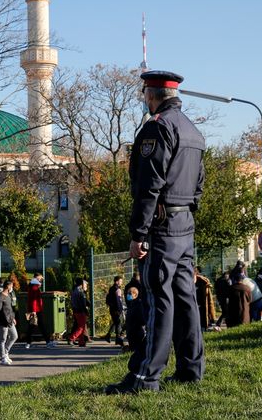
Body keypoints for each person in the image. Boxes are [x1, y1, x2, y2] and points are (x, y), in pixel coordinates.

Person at [106, 70, 205, 395]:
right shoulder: (192, 130)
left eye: (145, 94)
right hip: (184, 225)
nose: (144, 99)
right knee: (185, 298)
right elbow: (199, 185)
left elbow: (149, 186)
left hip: (162, 227)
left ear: (152, 94)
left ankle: (146, 377)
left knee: (159, 299)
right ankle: (191, 369)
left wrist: (139, 234)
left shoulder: (157, 127)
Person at [26, 274, 56, 349]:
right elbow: (34, 300)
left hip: (36, 309)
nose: (41, 279)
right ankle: (47, 342)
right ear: (36, 278)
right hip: (36, 309)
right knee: (38, 325)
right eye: (40, 278)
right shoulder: (35, 287)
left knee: (34, 325)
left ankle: (29, 343)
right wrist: (34, 310)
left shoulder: (33, 285)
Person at [0, 280, 17, 365]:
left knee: (14, 336)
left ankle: (6, 352)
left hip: (10, 320)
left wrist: (13, 318)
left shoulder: (9, 295)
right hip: (3, 321)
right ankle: (3, 357)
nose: (12, 288)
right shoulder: (0, 297)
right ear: (8, 286)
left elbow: (10, 308)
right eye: (11, 286)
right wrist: (3, 318)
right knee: (3, 339)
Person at [103, 275, 125, 346]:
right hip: (116, 309)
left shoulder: (112, 288)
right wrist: (120, 309)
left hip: (112, 308)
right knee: (118, 323)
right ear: (117, 281)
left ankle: (110, 337)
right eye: (120, 281)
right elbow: (118, 300)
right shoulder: (117, 289)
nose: (121, 282)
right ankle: (117, 338)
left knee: (116, 322)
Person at [69, 278, 90, 347]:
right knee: (81, 327)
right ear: (81, 284)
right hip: (80, 311)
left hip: (76, 310)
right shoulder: (80, 291)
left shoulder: (75, 290)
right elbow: (82, 303)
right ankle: (71, 338)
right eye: (84, 283)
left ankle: (81, 342)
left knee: (81, 326)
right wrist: (86, 311)